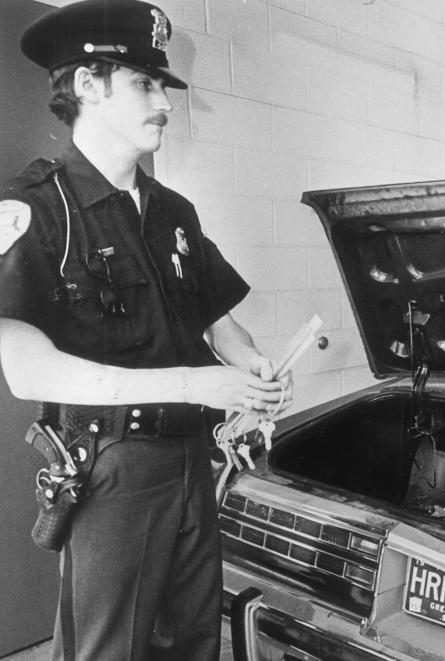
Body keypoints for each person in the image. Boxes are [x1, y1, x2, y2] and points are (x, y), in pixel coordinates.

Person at [0, 1, 292, 659]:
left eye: (163, 85)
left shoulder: (173, 212)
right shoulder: (39, 210)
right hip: (112, 468)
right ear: (85, 86)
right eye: (144, 82)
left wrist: (251, 368)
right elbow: (26, 369)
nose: (163, 101)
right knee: (109, 649)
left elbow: (220, 323)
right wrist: (194, 381)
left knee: (192, 641)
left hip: (192, 461)